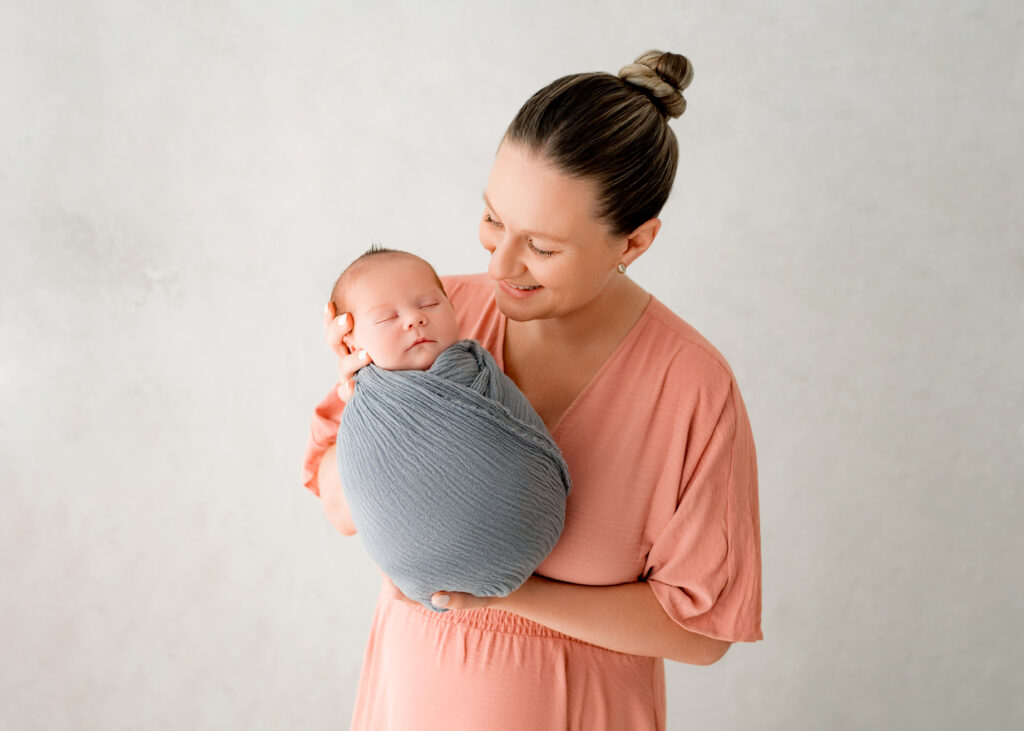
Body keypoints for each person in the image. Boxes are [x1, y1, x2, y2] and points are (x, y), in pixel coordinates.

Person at [302, 49, 762, 730]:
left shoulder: (690, 386)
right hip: (412, 700)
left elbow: (701, 631)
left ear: (634, 242)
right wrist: (372, 400)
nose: (498, 263)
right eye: (493, 219)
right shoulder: (431, 316)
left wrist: (506, 596)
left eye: (542, 247)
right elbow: (342, 512)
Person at [327, 246, 570, 612]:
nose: (414, 319)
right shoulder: (361, 401)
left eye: (429, 304)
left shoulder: (476, 369)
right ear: (351, 341)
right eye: (386, 318)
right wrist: (359, 401)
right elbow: (350, 507)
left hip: (535, 524)